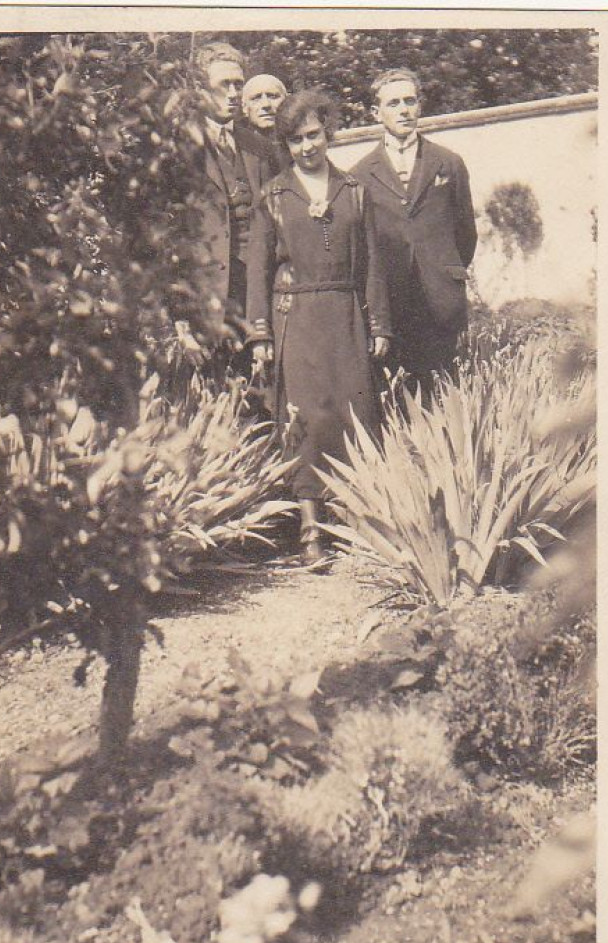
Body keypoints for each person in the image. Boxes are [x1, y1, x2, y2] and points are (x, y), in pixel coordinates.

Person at [247, 90, 391, 565]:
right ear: (284, 145)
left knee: (353, 413)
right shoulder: (272, 196)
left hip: (346, 313)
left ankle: (356, 519)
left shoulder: (354, 190)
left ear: (328, 132)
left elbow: (371, 264)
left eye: (314, 135)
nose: (307, 146)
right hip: (298, 317)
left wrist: (379, 324)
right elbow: (257, 271)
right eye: (295, 140)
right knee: (305, 419)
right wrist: (260, 334)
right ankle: (311, 530)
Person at [353, 68, 477, 403]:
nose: (404, 109)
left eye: (410, 100)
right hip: (394, 300)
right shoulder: (360, 175)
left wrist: (443, 269)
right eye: (394, 103)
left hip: (439, 297)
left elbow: (466, 233)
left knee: (446, 392)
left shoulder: (448, 163)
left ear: (420, 106)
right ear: (376, 113)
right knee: (399, 395)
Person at [192, 42, 273, 334]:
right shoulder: (179, 146)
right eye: (223, 84)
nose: (233, 94)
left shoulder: (260, 148)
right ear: (199, 89)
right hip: (208, 294)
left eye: (238, 84)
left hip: (258, 292)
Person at [241, 73, 290, 174]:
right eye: (256, 98)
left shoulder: (303, 145)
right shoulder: (238, 152)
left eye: (273, 96)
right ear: (244, 107)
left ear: (287, 101)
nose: (266, 105)